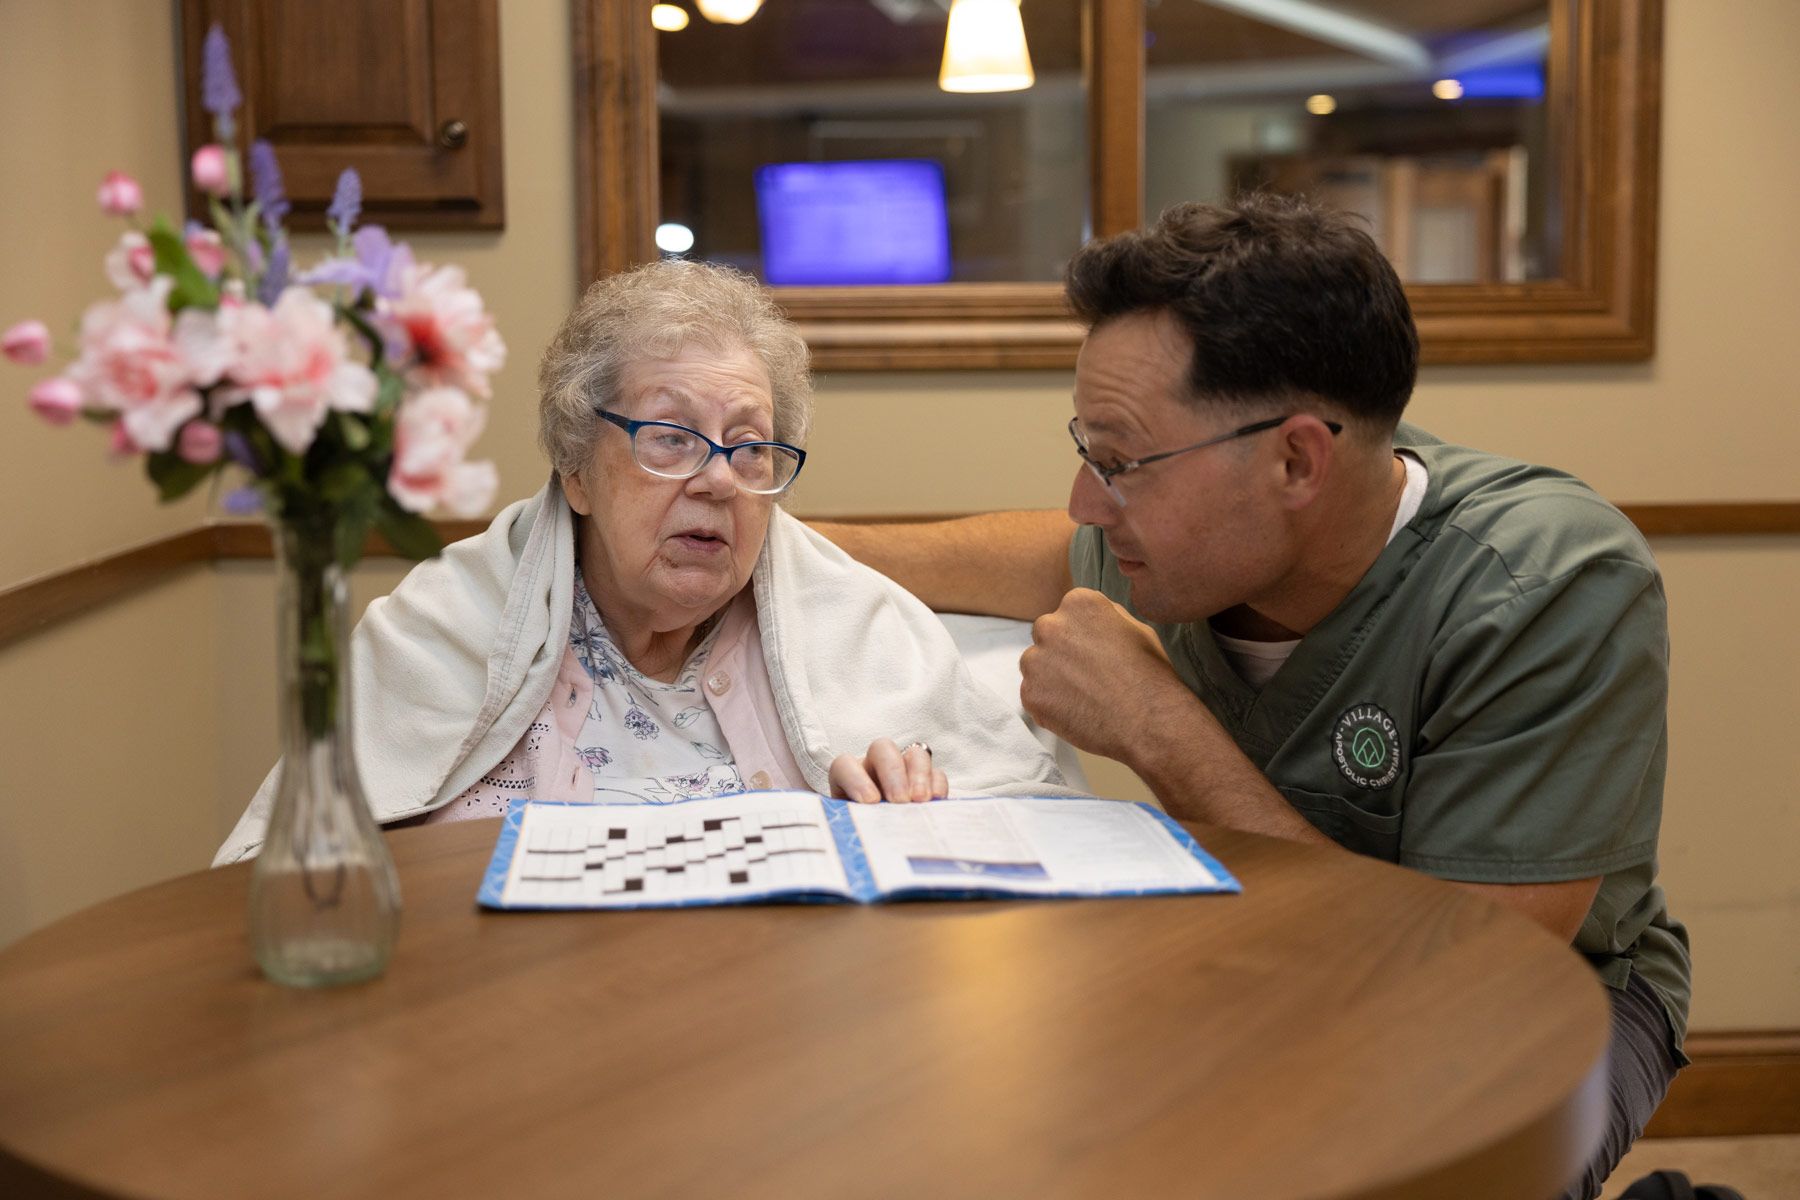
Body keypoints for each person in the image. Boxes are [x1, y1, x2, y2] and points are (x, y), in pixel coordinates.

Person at [816, 194, 1689, 1200]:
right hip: (1275, 960)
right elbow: (1019, 554)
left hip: (1549, 1004)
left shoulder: (1547, 587)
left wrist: (1157, 727)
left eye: (1120, 462)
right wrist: (773, 549)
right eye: (1086, 454)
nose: (1087, 503)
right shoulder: (1184, 547)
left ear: (1295, 460)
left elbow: (1462, 970)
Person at [217, 260, 1074, 864]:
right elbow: (284, 873)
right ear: (575, 465)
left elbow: (1038, 838)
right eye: (671, 438)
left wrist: (916, 816)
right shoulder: (441, 625)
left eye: (751, 450)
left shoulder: (855, 620)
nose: (718, 481)